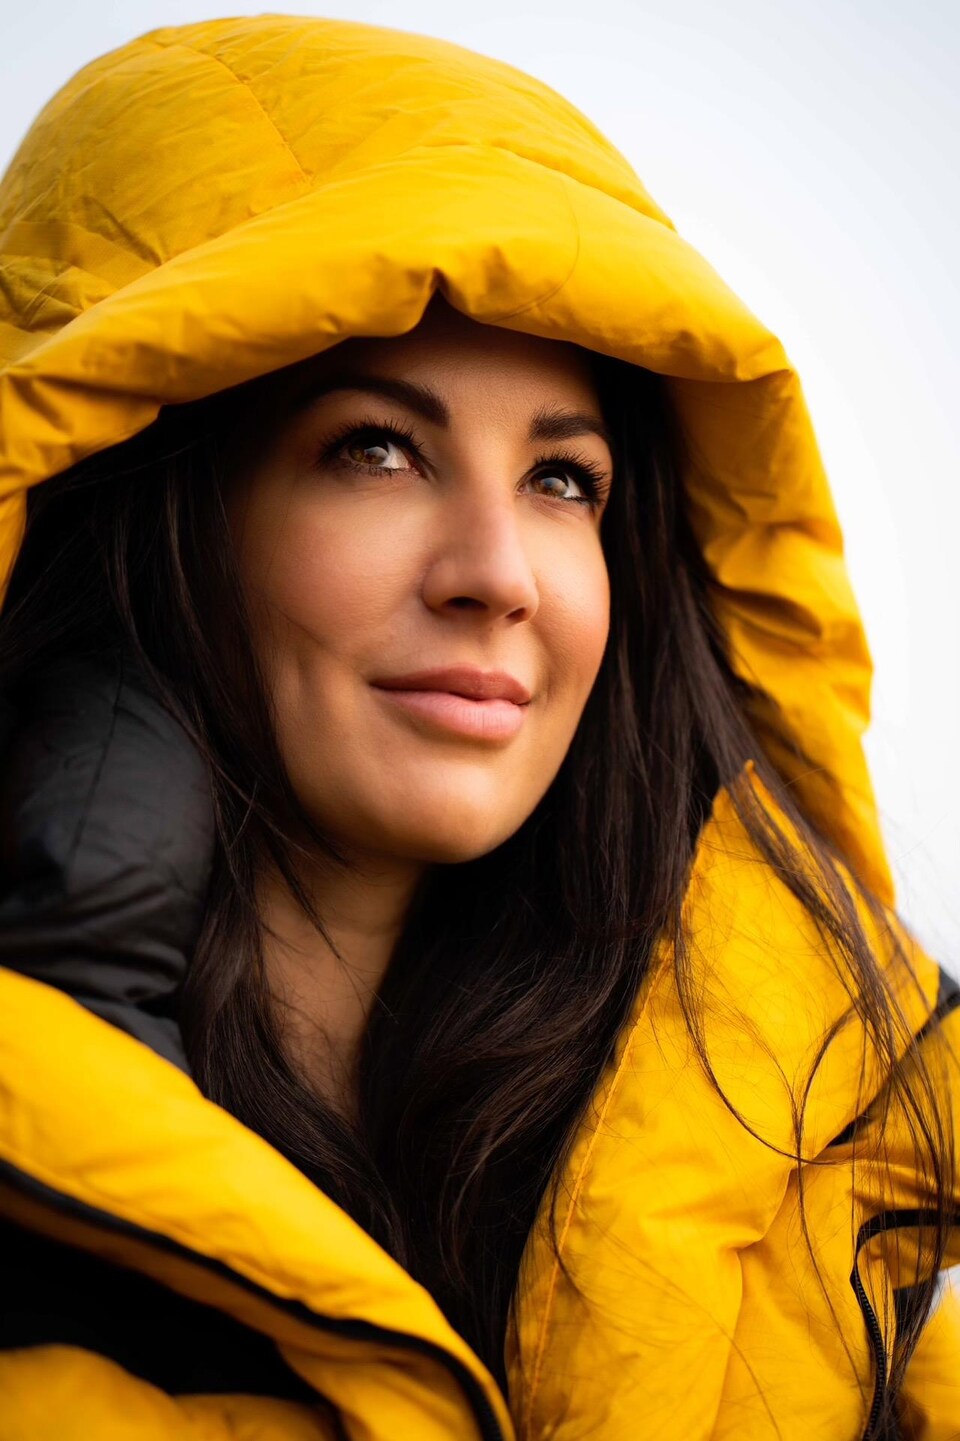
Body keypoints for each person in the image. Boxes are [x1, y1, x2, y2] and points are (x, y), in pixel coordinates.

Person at [0, 14, 957, 1441]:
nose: (498, 574)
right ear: (147, 496)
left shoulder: (819, 1195)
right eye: (375, 450)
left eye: (565, 480)